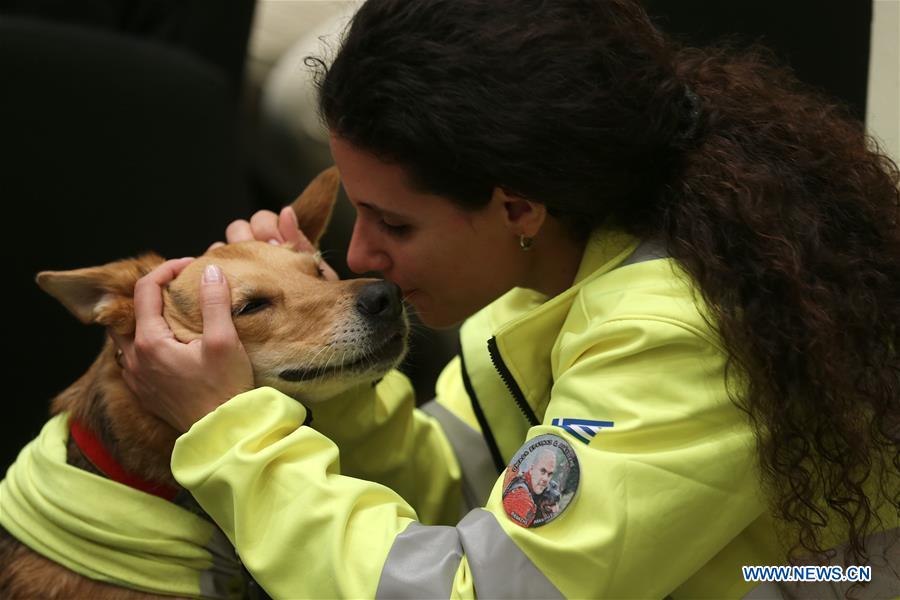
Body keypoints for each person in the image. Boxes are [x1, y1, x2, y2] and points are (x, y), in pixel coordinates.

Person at [113, 0, 900, 597]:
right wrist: (323, 367)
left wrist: (230, 433)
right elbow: (451, 484)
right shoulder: (538, 270)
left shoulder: (677, 334)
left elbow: (474, 587)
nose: (357, 257)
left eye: (393, 222)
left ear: (517, 207)